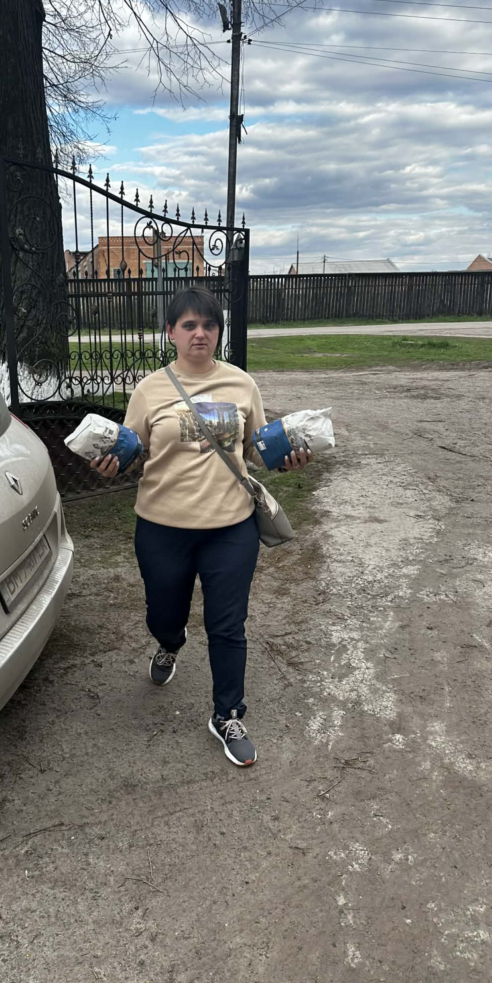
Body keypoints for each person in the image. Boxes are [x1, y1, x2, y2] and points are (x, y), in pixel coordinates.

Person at [91, 286, 311, 766]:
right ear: (170, 332)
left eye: (208, 325)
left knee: (228, 624)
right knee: (163, 614)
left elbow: (253, 450)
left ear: (219, 333)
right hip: (162, 528)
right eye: (188, 325)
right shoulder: (150, 390)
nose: (199, 333)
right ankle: (170, 642)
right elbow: (131, 453)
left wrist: (286, 459)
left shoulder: (240, 384)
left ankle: (227, 713)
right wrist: (111, 464)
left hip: (230, 528)